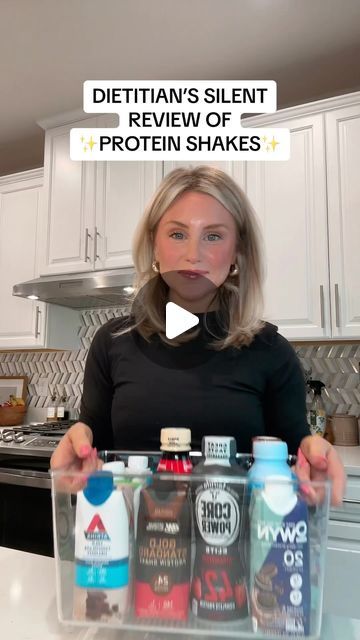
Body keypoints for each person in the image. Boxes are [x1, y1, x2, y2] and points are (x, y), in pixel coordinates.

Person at [51, 166, 345, 505]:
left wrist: (312, 458)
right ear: (154, 245)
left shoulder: (271, 351)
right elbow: (94, 446)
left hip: (237, 552)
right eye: (177, 234)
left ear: (238, 251)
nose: (194, 254)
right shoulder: (112, 342)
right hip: (134, 549)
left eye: (214, 235)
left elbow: (295, 455)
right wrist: (77, 449)